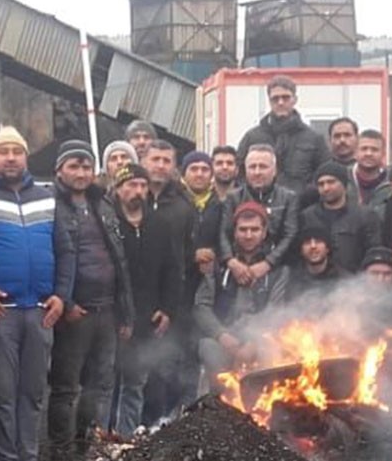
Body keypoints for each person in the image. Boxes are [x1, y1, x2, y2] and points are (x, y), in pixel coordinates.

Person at [0, 127, 69, 461]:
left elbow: (65, 250)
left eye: (17, 151)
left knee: (34, 390)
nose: (11, 157)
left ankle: (29, 460)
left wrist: (61, 294)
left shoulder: (47, 197)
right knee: (2, 389)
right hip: (0, 311)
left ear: (26, 157)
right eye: (3, 151)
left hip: (41, 309)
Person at [45, 142, 132, 461]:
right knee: (66, 386)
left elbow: (119, 261)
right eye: (74, 166)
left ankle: (88, 443)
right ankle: (61, 451)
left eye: (86, 167)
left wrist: (126, 312)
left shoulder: (104, 204)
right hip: (74, 312)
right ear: (59, 170)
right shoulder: (51, 205)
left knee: (101, 383)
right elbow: (50, 258)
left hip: (107, 309)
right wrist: (65, 302)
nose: (81, 173)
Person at [112, 159, 185, 434]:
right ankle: (101, 438)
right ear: (118, 189)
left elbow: (173, 269)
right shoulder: (110, 224)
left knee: (135, 383)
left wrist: (168, 309)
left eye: (143, 185)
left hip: (149, 316)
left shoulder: (160, 224)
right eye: (131, 185)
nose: (138, 191)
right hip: (114, 315)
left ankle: (125, 439)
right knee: (107, 383)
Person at [195, 201, 282, 380]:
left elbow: (277, 310)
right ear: (234, 232)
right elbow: (201, 306)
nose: (248, 235)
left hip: (260, 339)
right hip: (225, 336)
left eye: (254, 229)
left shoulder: (278, 269)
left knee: (271, 348)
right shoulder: (217, 265)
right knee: (207, 347)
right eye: (242, 230)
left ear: (264, 232)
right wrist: (221, 335)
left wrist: (254, 342)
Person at [213, 145, 300, 278]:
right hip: (238, 269)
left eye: (263, 167)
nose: (257, 172)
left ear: (274, 170)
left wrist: (268, 263)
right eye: (252, 167)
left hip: (277, 271)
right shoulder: (233, 198)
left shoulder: (289, 198)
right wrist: (231, 261)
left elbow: (290, 234)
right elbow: (223, 232)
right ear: (245, 170)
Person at [236, 75, 323, 189]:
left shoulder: (314, 139)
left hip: (301, 205)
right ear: (269, 101)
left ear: (295, 100)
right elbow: (238, 174)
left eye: (285, 97)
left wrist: (305, 197)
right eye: (275, 98)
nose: (280, 102)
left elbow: (323, 175)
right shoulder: (252, 138)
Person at [301, 161, 377, 273]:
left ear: (344, 184)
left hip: (354, 283)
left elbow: (373, 254)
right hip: (315, 284)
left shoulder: (365, 216)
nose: (326, 188)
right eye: (321, 184)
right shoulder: (307, 217)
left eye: (331, 182)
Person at [352, 129, 390, 209]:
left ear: (383, 154)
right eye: (364, 149)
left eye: (374, 149)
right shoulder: (343, 180)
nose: (369, 153)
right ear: (355, 153)